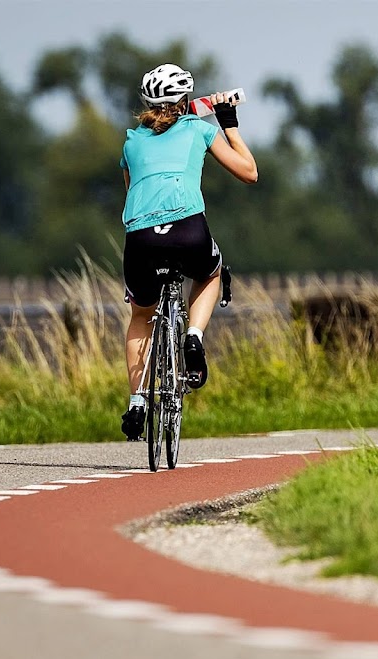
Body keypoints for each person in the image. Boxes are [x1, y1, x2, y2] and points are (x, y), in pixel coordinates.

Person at [118, 63, 258, 441]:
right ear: (184, 99)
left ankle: (136, 402)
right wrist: (228, 124)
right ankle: (193, 335)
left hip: (141, 235)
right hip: (187, 229)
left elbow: (131, 188)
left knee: (140, 316)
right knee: (211, 273)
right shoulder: (200, 128)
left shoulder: (132, 141)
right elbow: (248, 172)